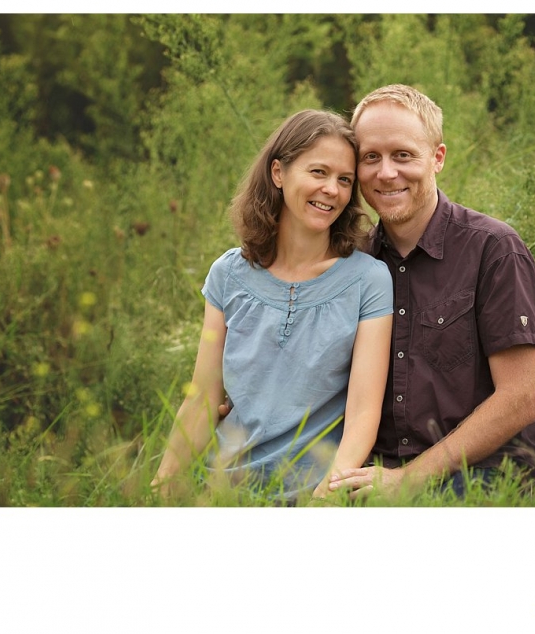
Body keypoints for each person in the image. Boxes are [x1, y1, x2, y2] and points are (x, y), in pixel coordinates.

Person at [151, 109, 394, 502]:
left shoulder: (369, 280)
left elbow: (364, 413)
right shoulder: (228, 274)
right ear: (278, 173)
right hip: (223, 490)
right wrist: (161, 488)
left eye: (344, 180)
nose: (331, 189)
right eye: (318, 172)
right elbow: (202, 398)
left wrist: (326, 496)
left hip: (312, 492)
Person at [328, 84, 535, 499]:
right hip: (376, 474)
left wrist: (408, 480)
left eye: (403, 155)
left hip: (485, 473)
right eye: (371, 157)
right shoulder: (351, 263)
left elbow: (520, 398)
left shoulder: (494, 249)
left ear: (438, 158)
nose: (386, 173)